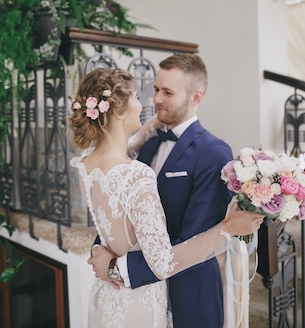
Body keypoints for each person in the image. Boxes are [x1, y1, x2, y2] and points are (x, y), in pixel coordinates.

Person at [69, 67, 263, 328]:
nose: (153, 100)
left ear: (195, 97)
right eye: (144, 94)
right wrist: (229, 228)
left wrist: (113, 265)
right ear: (116, 110)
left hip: (157, 295)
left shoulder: (85, 165)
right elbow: (157, 256)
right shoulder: (138, 167)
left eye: (166, 92)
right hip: (137, 301)